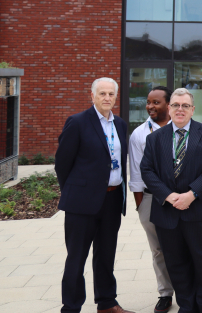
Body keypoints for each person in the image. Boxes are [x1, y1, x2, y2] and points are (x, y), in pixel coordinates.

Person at [139, 87, 202, 313]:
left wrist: (191, 194)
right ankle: (187, 306)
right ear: (169, 108)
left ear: (193, 109)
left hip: (201, 212)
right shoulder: (155, 138)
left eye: (185, 106)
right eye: (176, 105)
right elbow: (146, 170)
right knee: (176, 265)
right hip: (168, 214)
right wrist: (168, 195)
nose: (180, 109)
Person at [55, 77, 133, 313]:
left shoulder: (120, 124)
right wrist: (76, 191)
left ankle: (107, 303)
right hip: (82, 204)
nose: (107, 98)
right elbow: (62, 164)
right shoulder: (77, 122)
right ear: (92, 96)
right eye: (102, 94)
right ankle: (71, 307)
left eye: (111, 94)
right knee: (76, 258)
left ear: (116, 97)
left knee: (106, 255)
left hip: (111, 200)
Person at [128, 86, 175, 313]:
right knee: (158, 250)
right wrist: (141, 206)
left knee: (182, 245)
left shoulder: (184, 127)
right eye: (148, 102)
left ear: (168, 104)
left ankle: (188, 288)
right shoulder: (139, 134)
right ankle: (165, 293)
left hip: (180, 199)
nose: (150, 106)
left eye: (156, 102)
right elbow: (136, 174)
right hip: (150, 199)